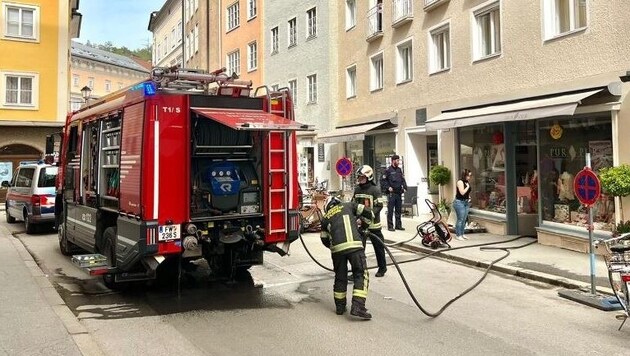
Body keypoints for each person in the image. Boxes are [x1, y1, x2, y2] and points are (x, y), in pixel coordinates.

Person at [320, 196, 374, 319]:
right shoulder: (349, 205)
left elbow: (324, 239)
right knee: (361, 274)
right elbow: (368, 212)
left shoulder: (325, 218)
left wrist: (334, 246)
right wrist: (364, 227)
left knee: (340, 277)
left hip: (337, 251)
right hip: (355, 247)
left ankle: (340, 307)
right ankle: (358, 307)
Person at [353, 165, 387, 277]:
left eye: (362, 177)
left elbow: (380, 205)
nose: (360, 179)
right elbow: (354, 204)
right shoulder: (357, 189)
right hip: (361, 225)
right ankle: (358, 272)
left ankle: (382, 268)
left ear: (369, 177)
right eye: (359, 177)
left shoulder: (375, 190)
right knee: (358, 250)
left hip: (373, 225)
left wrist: (369, 214)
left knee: (379, 248)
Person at [382, 154, 407, 231]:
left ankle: (398, 225)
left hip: (398, 193)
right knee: (390, 210)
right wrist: (388, 187)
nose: (398, 162)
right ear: (393, 161)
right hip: (391, 194)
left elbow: (403, 180)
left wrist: (405, 187)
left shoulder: (399, 170)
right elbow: (383, 181)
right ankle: (390, 226)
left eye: (399, 160)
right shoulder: (388, 170)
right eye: (397, 160)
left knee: (398, 210)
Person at [453, 168, 472, 241]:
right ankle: (458, 235)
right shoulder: (460, 182)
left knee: (464, 219)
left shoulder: (467, 182)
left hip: (466, 202)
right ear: (465, 175)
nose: (469, 177)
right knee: (460, 219)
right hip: (459, 202)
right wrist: (467, 187)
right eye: (468, 176)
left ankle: (462, 234)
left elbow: (467, 193)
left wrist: (469, 197)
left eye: (470, 176)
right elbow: (462, 192)